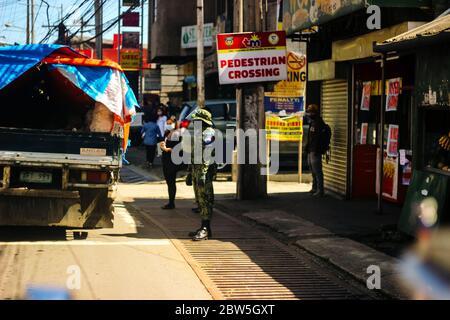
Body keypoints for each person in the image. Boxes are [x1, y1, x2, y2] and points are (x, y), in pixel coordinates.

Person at [188, 108, 217, 241]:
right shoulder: (200, 133)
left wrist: (202, 174)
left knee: (205, 200)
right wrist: (190, 172)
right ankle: (204, 227)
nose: (193, 123)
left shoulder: (209, 133)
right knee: (199, 200)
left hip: (204, 173)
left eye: (196, 120)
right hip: (197, 171)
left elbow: (207, 153)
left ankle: (205, 229)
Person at [159, 119, 183, 210]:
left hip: (173, 161)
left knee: (171, 182)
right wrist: (161, 146)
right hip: (166, 160)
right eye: (167, 123)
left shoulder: (177, 134)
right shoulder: (166, 133)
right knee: (169, 182)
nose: (168, 125)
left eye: (170, 123)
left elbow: (179, 149)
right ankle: (171, 202)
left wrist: (167, 149)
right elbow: (162, 144)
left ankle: (171, 203)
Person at [305, 104, 326, 197]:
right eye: (309, 112)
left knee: (317, 171)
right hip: (311, 150)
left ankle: (320, 190)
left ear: (315, 113)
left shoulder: (318, 123)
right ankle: (314, 188)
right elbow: (310, 138)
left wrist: (317, 150)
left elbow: (318, 139)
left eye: (310, 112)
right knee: (313, 170)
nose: (309, 114)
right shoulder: (312, 122)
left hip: (315, 150)